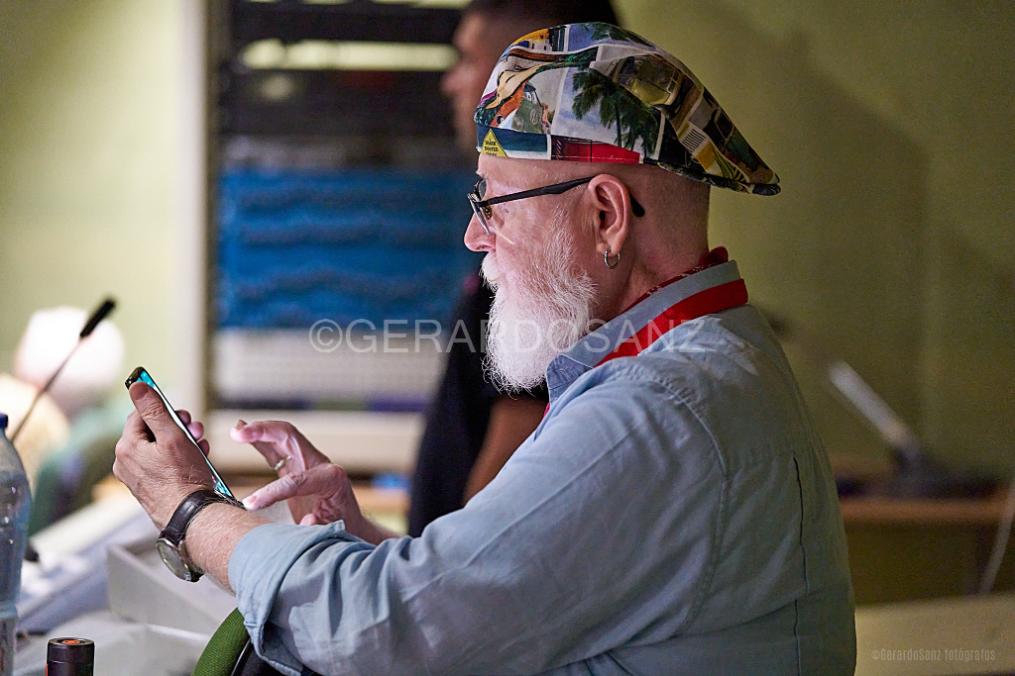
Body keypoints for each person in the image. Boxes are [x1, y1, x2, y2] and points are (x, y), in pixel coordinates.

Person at [114, 23, 856, 675]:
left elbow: (379, 635)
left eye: (493, 202)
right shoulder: (706, 362)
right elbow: (494, 613)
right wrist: (362, 544)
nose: (475, 236)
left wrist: (190, 510)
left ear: (605, 215)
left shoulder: (654, 412)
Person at [410, 0, 620, 536]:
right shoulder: (522, 237)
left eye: (468, 59)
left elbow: (500, 506)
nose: (451, 82)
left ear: (532, 74)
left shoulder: (544, 258)